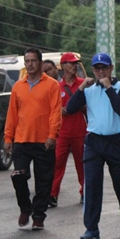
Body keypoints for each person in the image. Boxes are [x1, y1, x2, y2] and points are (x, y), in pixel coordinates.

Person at [66, 53, 120, 239]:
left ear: (110, 68)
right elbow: (71, 108)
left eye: (103, 68)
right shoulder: (88, 90)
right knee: (92, 186)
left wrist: (108, 87)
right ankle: (91, 227)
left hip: (115, 142)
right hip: (94, 142)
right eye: (97, 68)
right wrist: (81, 88)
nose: (100, 71)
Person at [5, 48, 62, 230]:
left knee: (44, 180)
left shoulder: (52, 85)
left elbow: (55, 113)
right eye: (27, 60)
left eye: (33, 61)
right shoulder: (18, 87)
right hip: (21, 140)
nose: (30, 64)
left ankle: (38, 215)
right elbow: (12, 115)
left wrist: (52, 135)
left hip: (44, 141)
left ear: (40, 63)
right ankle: (25, 207)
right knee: (19, 175)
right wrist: (8, 138)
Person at [49, 53, 87, 208]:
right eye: (71, 63)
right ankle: (52, 194)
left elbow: (89, 107)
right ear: (63, 66)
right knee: (57, 162)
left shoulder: (84, 84)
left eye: (76, 63)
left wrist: (78, 106)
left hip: (80, 130)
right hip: (62, 132)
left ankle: (85, 191)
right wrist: (59, 110)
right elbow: (50, 108)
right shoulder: (56, 86)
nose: (74, 66)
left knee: (82, 163)